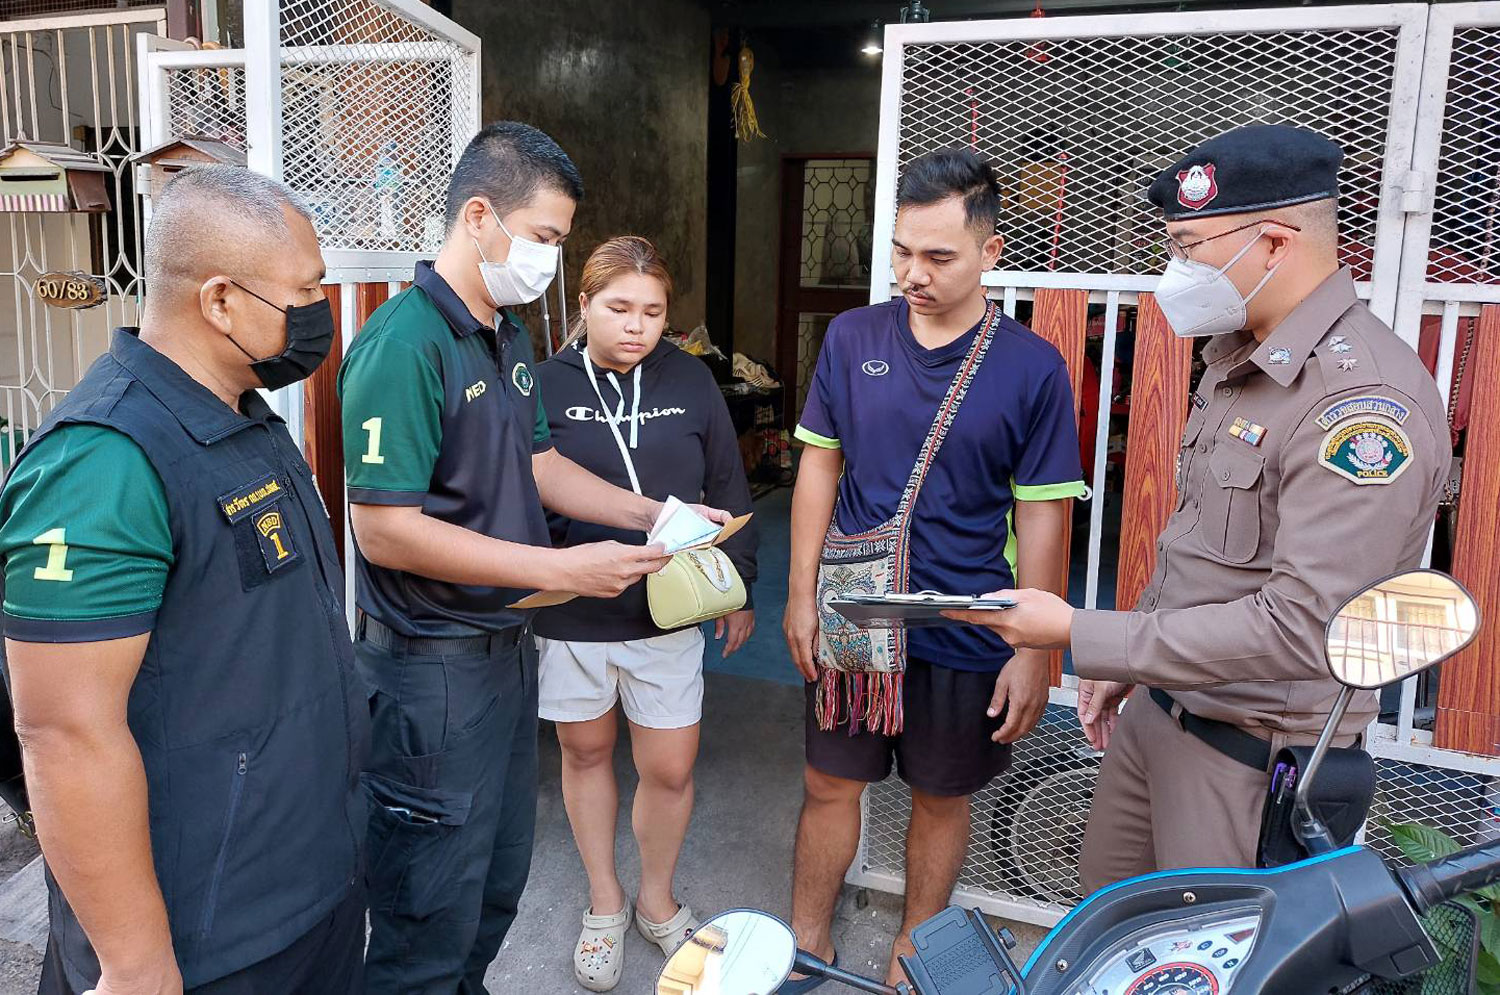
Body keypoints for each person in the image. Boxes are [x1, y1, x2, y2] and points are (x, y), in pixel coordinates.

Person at [951, 125, 1451, 890]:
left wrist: (1084, 632)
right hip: (1160, 711)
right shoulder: (1237, 360)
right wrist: (1124, 663)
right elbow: (1199, 545)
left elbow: (1306, 625)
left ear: (1276, 245)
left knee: (1207, 962)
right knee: (1109, 937)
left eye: (1189, 246)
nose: (1174, 270)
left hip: (1248, 760)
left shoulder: (1358, 404)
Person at [338, 122, 727, 994]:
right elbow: (383, 530)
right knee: (426, 908)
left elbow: (544, 469)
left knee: (493, 885)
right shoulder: (402, 346)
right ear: (480, 215)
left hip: (502, 651)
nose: (551, 258)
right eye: (546, 237)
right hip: (429, 667)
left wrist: (655, 516)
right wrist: (564, 571)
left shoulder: (506, 339)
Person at [0, 165, 366, 994]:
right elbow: (63, 733)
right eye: (306, 290)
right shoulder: (103, 459)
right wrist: (136, 963)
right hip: (209, 939)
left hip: (311, 890)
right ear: (221, 301)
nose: (321, 312)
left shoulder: (240, 414)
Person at [781, 147, 1086, 990]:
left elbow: (1044, 508)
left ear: (990, 252)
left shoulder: (1032, 366)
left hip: (967, 618)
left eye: (938, 257)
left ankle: (913, 951)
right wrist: (802, 593)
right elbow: (817, 464)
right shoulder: (852, 338)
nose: (913, 274)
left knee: (941, 794)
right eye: (902, 252)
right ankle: (806, 937)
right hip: (855, 611)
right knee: (828, 782)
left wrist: (1035, 647)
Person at [533, 235, 758, 991]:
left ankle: (658, 899)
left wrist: (743, 582)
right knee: (586, 754)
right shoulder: (541, 382)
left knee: (668, 765)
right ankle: (606, 900)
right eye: (619, 307)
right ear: (584, 305)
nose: (636, 325)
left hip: (671, 608)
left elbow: (728, 479)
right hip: (575, 610)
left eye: (653, 311)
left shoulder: (690, 379)